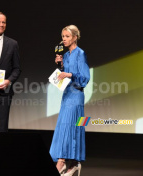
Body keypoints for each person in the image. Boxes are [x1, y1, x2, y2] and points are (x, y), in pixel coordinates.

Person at [49, 25, 90, 176]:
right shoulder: (66, 55)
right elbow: (63, 76)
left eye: (66, 36)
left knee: (70, 126)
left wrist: (69, 74)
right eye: (63, 36)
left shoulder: (81, 54)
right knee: (65, 126)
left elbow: (85, 78)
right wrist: (60, 65)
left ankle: (61, 162)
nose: (64, 39)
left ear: (75, 37)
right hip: (66, 94)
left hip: (77, 95)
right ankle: (74, 163)